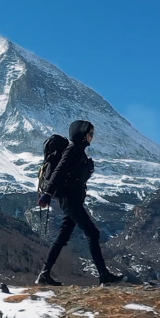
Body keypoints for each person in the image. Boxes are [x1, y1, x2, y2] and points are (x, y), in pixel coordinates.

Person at [35, 120, 125, 286]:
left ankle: (44, 274)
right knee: (92, 233)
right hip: (70, 201)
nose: (92, 137)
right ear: (83, 135)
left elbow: (74, 177)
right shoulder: (73, 150)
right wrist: (47, 193)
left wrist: (87, 171)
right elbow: (59, 171)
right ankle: (103, 275)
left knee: (63, 236)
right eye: (90, 134)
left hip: (73, 200)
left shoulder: (79, 152)